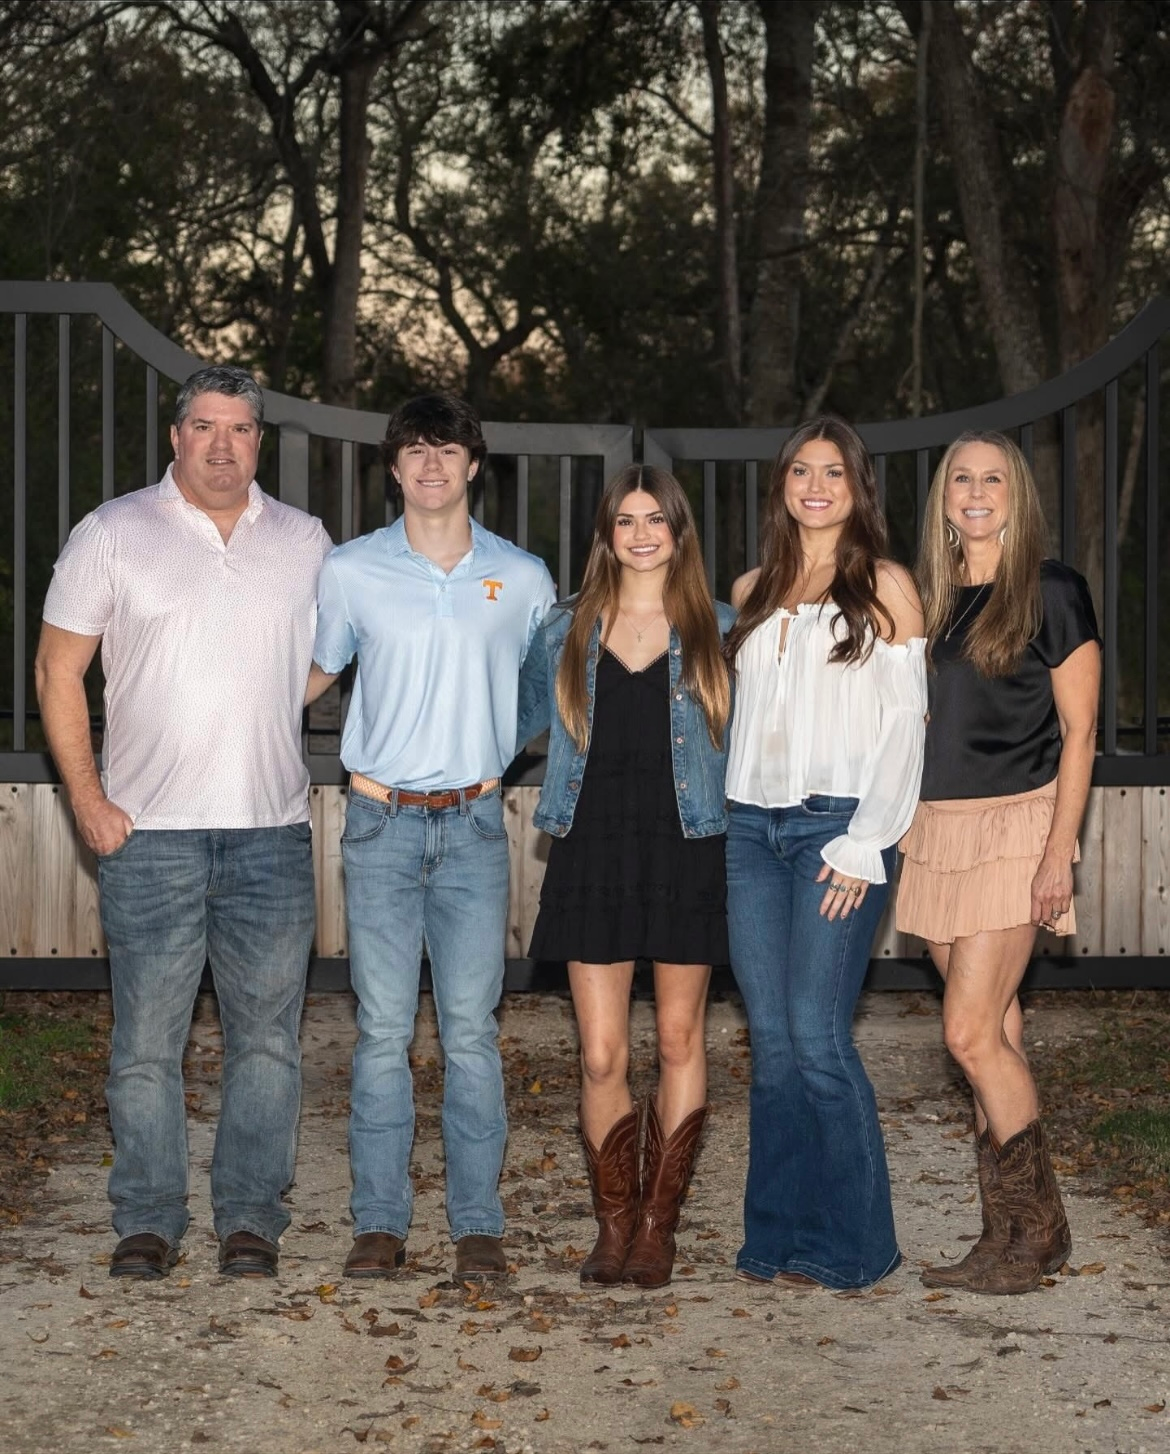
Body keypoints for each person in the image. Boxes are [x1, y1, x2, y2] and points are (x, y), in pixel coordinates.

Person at [35, 365, 331, 1280]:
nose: (221, 444)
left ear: (259, 441)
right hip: (149, 837)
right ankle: (149, 1221)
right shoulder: (114, 532)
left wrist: (266, 704)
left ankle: (250, 1219)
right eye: (204, 425)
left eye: (239, 428)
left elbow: (324, 661)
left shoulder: (306, 539)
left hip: (271, 834)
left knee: (269, 1042)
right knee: (146, 1045)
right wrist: (89, 799)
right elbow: (56, 672)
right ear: (176, 436)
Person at [308, 393, 555, 1281]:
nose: (431, 465)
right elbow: (310, 675)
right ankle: (378, 1221)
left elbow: (551, 687)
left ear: (473, 465)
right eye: (414, 450)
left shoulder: (523, 577)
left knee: (470, 1033)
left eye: (447, 450)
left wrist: (496, 749)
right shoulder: (350, 570)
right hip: (378, 823)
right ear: (395, 467)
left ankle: (476, 1226)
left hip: (478, 824)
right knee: (380, 1031)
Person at [516, 465, 734, 1289]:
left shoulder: (721, 627)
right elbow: (511, 721)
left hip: (690, 847)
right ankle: (613, 1225)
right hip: (592, 847)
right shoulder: (565, 627)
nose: (641, 535)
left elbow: (756, 744)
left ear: (679, 531)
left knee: (680, 1039)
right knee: (602, 1056)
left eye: (656, 520)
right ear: (606, 535)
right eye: (625, 521)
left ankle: (657, 1228)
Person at [723, 415, 926, 1290]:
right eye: (800, 470)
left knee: (816, 1037)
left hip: (835, 831)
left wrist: (865, 841)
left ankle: (859, 1244)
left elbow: (906, 727)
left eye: (832, 473)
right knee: (770, 1046)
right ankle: (775, 1236)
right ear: (783, 485)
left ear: (857, 488)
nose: (814, 485)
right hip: (749, 833)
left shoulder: (885, 585)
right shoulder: (753, 587)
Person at [897, 431, 1100, 1295]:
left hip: (1017, 826)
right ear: (944, 498)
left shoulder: (1053, 591)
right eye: (961, 480)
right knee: (999, 1033)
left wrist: (1059, 851)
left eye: (992, 479)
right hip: (937, 830)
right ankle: (1009, 1235)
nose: (975, 493)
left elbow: (1082, 733)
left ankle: (1037, 1229)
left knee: (967, 1033)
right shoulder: (932, 601)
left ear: (1017, 495)